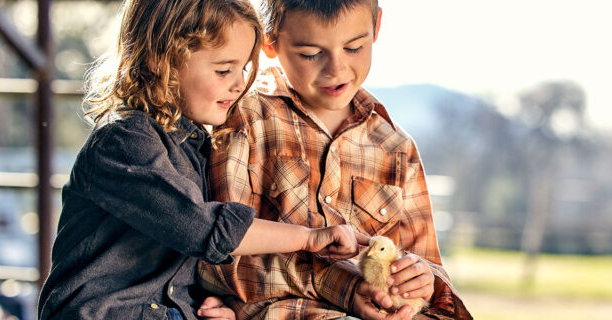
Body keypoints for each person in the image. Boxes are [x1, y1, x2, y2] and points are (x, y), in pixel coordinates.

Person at [37, 1, 367, 319]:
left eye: (243, 69)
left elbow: (184, 267)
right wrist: (309, 237)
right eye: (224, 69)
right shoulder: (123, 141)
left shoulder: (195, 145)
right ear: (160, 60)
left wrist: (207, 306)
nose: (239, 84)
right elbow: (198, 228)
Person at [200, 0, 472, 319]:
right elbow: (216, 250)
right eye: (311, 53)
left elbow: (431, 275)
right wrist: (342, 287)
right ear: (270, 42)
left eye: (353, 47)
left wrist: (421, 282)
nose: (336, 69)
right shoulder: (243, 118)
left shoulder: (398, 148)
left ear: (376, 27)